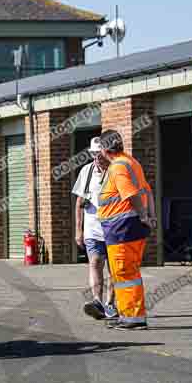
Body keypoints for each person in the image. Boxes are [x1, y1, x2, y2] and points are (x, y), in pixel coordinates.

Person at [96, 129, 156, 331]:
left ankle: (132, 317)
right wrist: (150, 216)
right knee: (127, 272)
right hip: (128, 227)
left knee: (124, 272)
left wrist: (143, 215)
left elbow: (130, 194)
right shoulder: (131, 162)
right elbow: (147, 190)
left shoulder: (118, 167)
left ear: (105, 149)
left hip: (122, 228)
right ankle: (128, 314)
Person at [73, 137, 117, 320]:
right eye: (93, 153)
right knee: (95, 262)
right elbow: (80, 202)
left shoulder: (116, 171)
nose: (96, 157)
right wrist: (78, 229)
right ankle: (97, 301)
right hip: (93, 229)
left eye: (99, 153)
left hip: (115, 227)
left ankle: (110, 304)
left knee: (114, 268)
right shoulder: (87, 171)